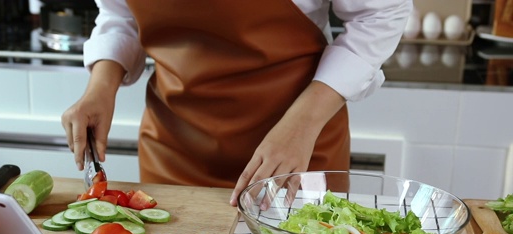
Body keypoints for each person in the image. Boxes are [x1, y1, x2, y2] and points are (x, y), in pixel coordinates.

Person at [61, 0, 412, 206]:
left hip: (297, 143)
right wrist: (101, 87)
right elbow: (121, 14)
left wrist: (303, 124)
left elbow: (380, 14)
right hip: (176, 148)